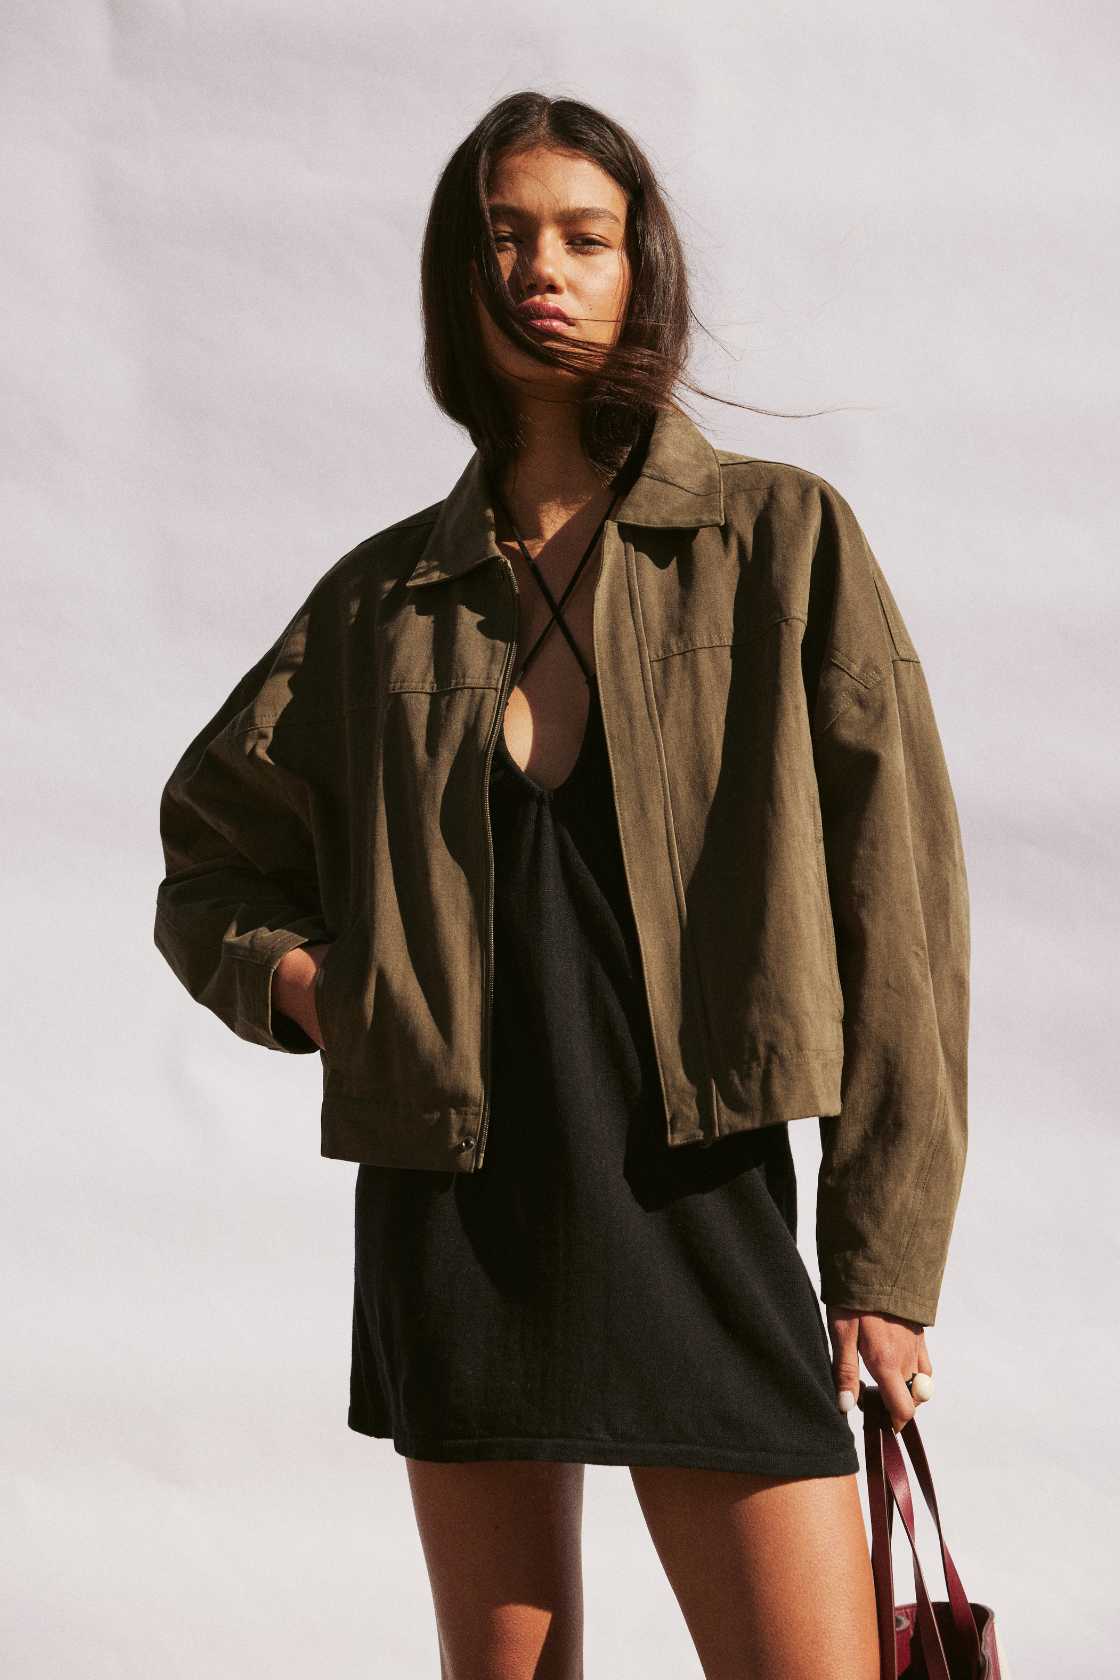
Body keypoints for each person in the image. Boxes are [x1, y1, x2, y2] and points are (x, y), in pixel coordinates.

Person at [154, 91, 969, 1680]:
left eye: (584, 238)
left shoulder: (780, 544)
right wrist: (316, 989)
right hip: (455, 1203)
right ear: (460, 285)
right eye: (505, 238)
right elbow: (209, 854)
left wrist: (882, 1267)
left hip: (701, 1193)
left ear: (639, 268)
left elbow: (904, 932)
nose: (544, 268)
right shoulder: (386, 599)